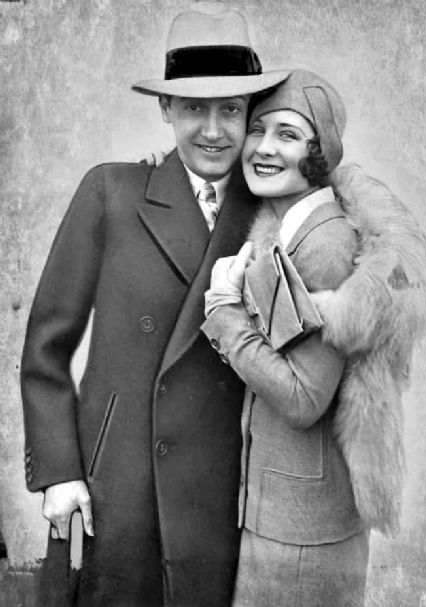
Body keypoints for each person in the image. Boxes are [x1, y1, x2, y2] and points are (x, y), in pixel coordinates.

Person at [20, 5, 289, 606]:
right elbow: (46, 346)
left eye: (230, 109)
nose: (214, 130)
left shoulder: (272, 210)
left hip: (228, 493)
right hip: (116, 482)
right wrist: (60, 470)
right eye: (194, 108)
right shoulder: (111, 192)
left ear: (252, 114)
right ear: (165, 109)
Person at [202, 69, 426, 606]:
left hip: (302, 530)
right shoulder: (287, 225)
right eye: (257, 131)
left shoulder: (325, 245)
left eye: (287, 134)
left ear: (318, 151)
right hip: (286, 513)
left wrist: (224, 314)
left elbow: (304, 398)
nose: (263, 148)